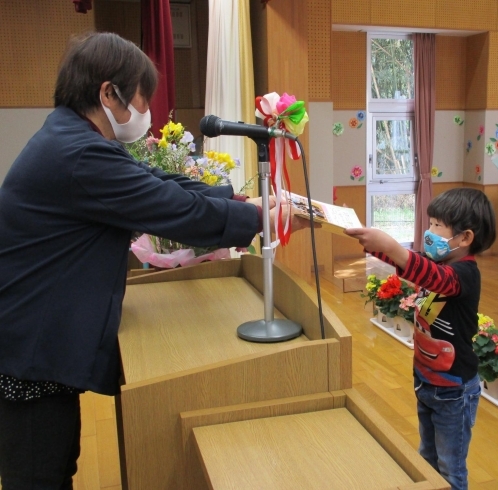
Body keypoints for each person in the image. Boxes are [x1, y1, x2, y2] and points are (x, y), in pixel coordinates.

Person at [0, 32, 303, 489]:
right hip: (28, 349)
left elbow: (160, 181)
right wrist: (257, 218)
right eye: (143, 99)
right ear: (108, 92)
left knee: (57, 465)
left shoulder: (74, 137)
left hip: (34, 339)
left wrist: (240, 200)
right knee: (41, 476)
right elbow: (173, 210)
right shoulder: (81, 153)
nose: (146, 113)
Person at [345, 188, 496, 490]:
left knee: (450, 469)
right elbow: (413, 263)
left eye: (437, 225)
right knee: (426, 456)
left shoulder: (464, 273)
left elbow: (432, 277)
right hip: (427, 381)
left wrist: (390, 245)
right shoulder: (438, 262)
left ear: (465, 238)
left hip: (454, 389)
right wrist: (368, 239)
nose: (429, 231)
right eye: (430, 223)